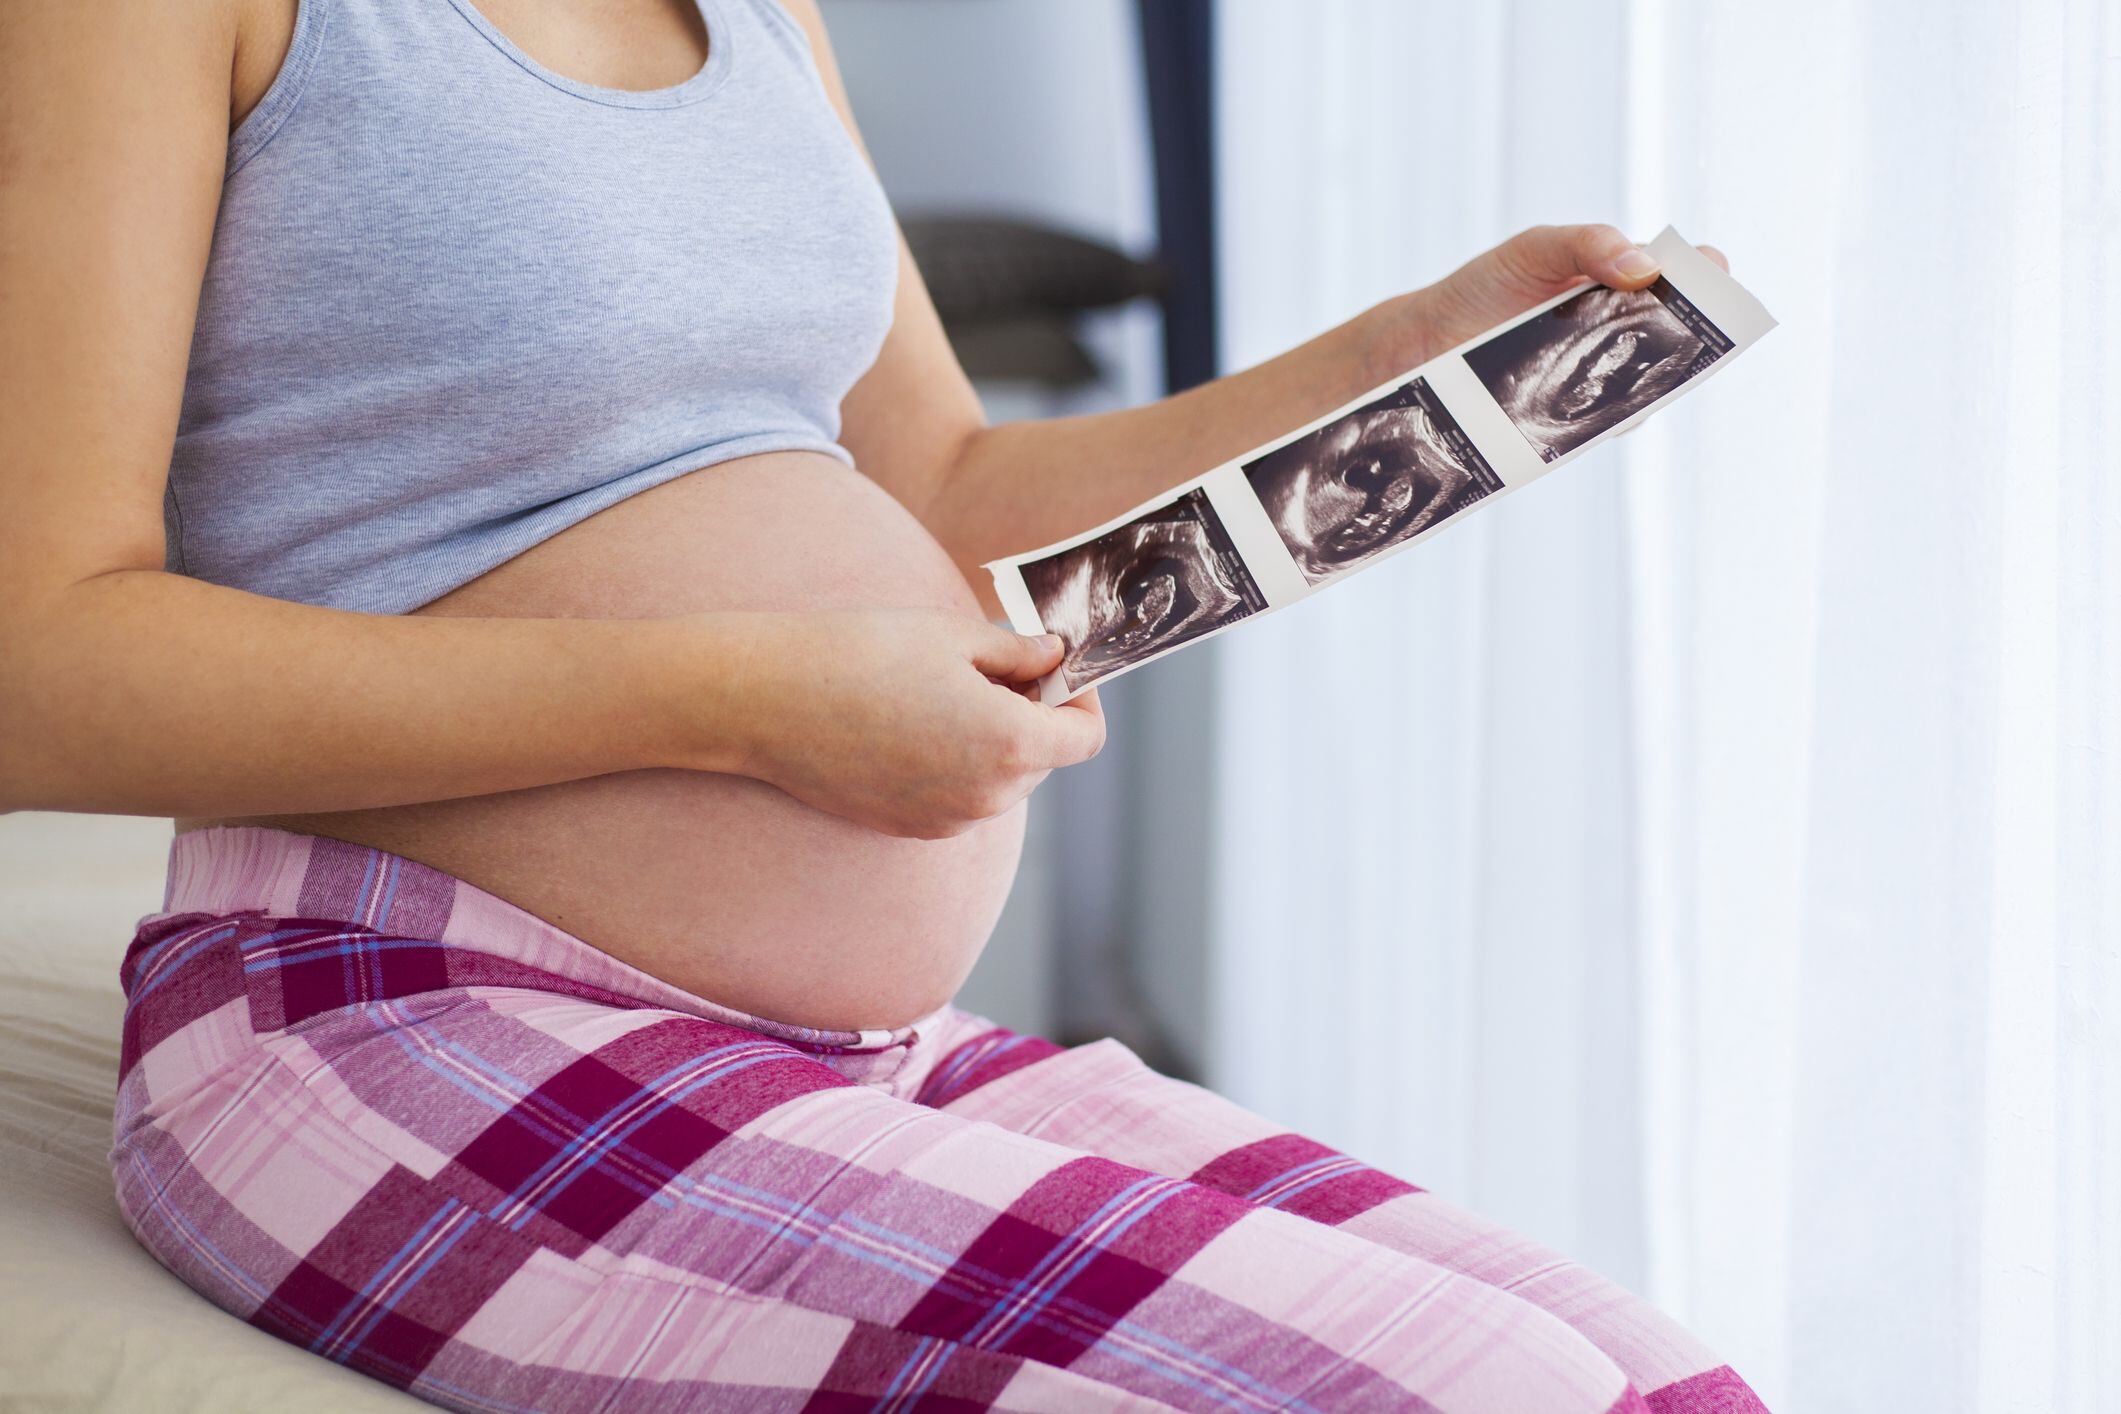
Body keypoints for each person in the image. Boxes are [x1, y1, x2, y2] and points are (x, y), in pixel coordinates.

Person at [0, 1, 1767, 1409]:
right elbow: (37, 673)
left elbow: (946, 478)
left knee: (1657, 1386)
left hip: (853, 1049)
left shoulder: (756, 12)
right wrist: (742, 701)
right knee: (1479, 1389)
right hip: (391, 1009)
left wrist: (1395, 362)